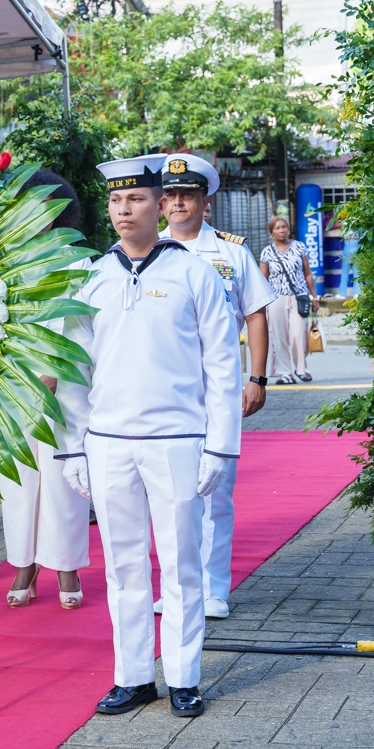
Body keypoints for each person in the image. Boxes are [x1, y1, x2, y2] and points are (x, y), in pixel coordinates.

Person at [55, 155, 241, 719]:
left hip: (177, 439)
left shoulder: (192, 272)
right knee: (123, 565)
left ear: (160, 206)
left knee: (182, 563)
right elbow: (72, 371)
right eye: (114, 200)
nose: (122, 210)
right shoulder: (92, 278)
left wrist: (219, 446)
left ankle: (184, 676)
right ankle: (133, 675)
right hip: (109, 441)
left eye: (134, 200)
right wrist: (72, 445)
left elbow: (224, 366)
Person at [159, 154, 276, 620]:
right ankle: (175, 587)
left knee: (214, 492)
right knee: (168, 495)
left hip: (218, 387)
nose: (178, 203)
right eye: (170, 195)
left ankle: (211, 589)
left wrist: (257, 377)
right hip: (164, 388)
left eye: (187, 194)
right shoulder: (143, 249)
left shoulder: (231, 252)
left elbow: (256, 314)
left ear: (205, 200)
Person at [0, 171, 91, 611]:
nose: (35, 216)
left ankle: (66, 566)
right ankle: (23, 564)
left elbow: (87, 330)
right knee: (17, 479)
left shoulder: (79, 263)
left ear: (59, 211)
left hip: (64, 388)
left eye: (43, 206)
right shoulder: (1, 264)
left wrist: (56, 370)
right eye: (26, 207)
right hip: (13, 385)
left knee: (61, 479)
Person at [259, 216, 317, 384]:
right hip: (276, 299)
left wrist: (314, 296)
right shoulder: (267, 252)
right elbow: (262, 279)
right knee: (279, 336)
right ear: (271, 232)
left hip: (299, 296)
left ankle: (301, 369)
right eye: (277, 228)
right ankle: (285, 372)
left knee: (297, 334)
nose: (282, 230)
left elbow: (307, 273)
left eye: (284, 227)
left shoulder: (299, 247)